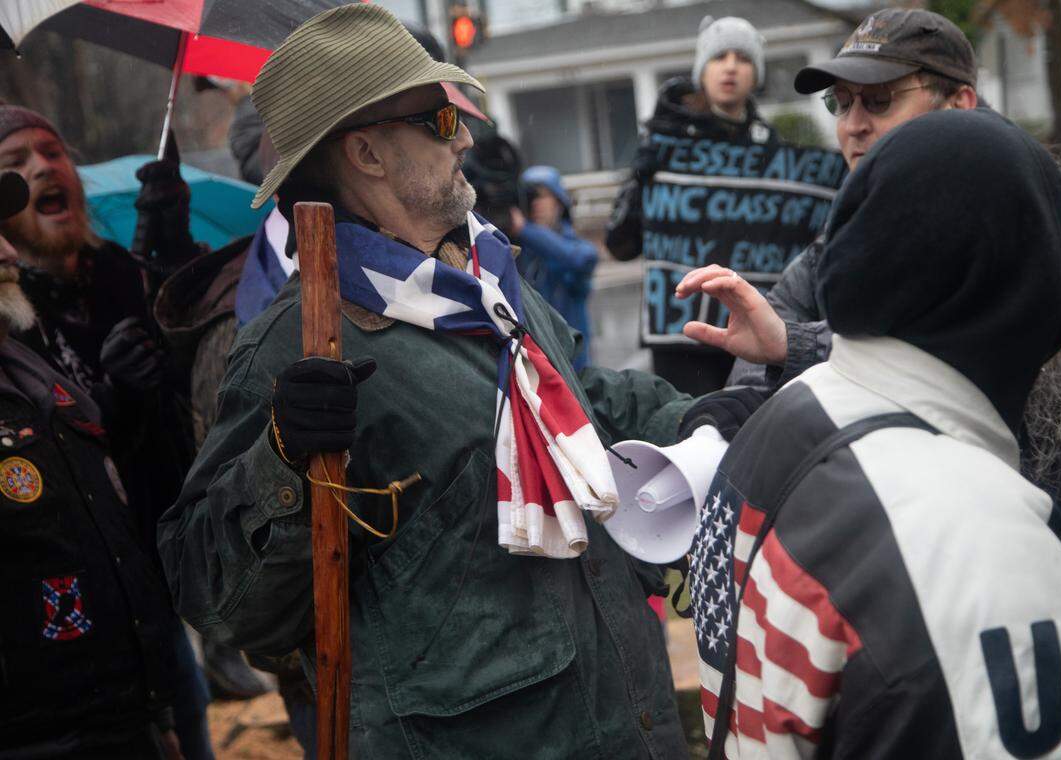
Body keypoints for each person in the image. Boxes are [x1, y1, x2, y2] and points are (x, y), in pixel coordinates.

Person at [158, 6, 714, 757]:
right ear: (367, 153)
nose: (469, 138)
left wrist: (725, 413)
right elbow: (219, 599)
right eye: (442, 121)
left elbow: (584, 409)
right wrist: (281, 462)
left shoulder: (487, 281)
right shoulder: (297, 343)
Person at [690, 7, 1061, 655]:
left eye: (879, 99)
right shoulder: (813, 278)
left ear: (960, 104)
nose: (853, 125)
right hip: (955, 632)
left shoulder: (1036, 233)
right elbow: (776, 465)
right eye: (841, 104)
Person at [0, 105, 214, 759]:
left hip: (153, 582)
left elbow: (202, 389)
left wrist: (175, 260)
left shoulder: (125, 271)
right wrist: (115, 400)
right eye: (15, 164)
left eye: (52, 150)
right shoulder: (14, 316)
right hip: (56, 678)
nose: (42, 166)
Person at [605, 15, 778, 395]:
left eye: (743, 58)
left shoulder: (771, 150)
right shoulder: (664, 140)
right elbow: (620, 244)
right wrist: (642, 182)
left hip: (748, 326)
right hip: (680, 332)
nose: (731, 66)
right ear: (703, 70)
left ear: (757, 73)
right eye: (719, 57)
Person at [511, 165, 598, 370]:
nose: (535, 204)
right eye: (530, 197)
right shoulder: (517, 247)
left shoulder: (575, 247)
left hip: (573, 365)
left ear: (559, 202)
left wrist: (525, 229)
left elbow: (581, 259)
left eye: (541, 196)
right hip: (532, 363)